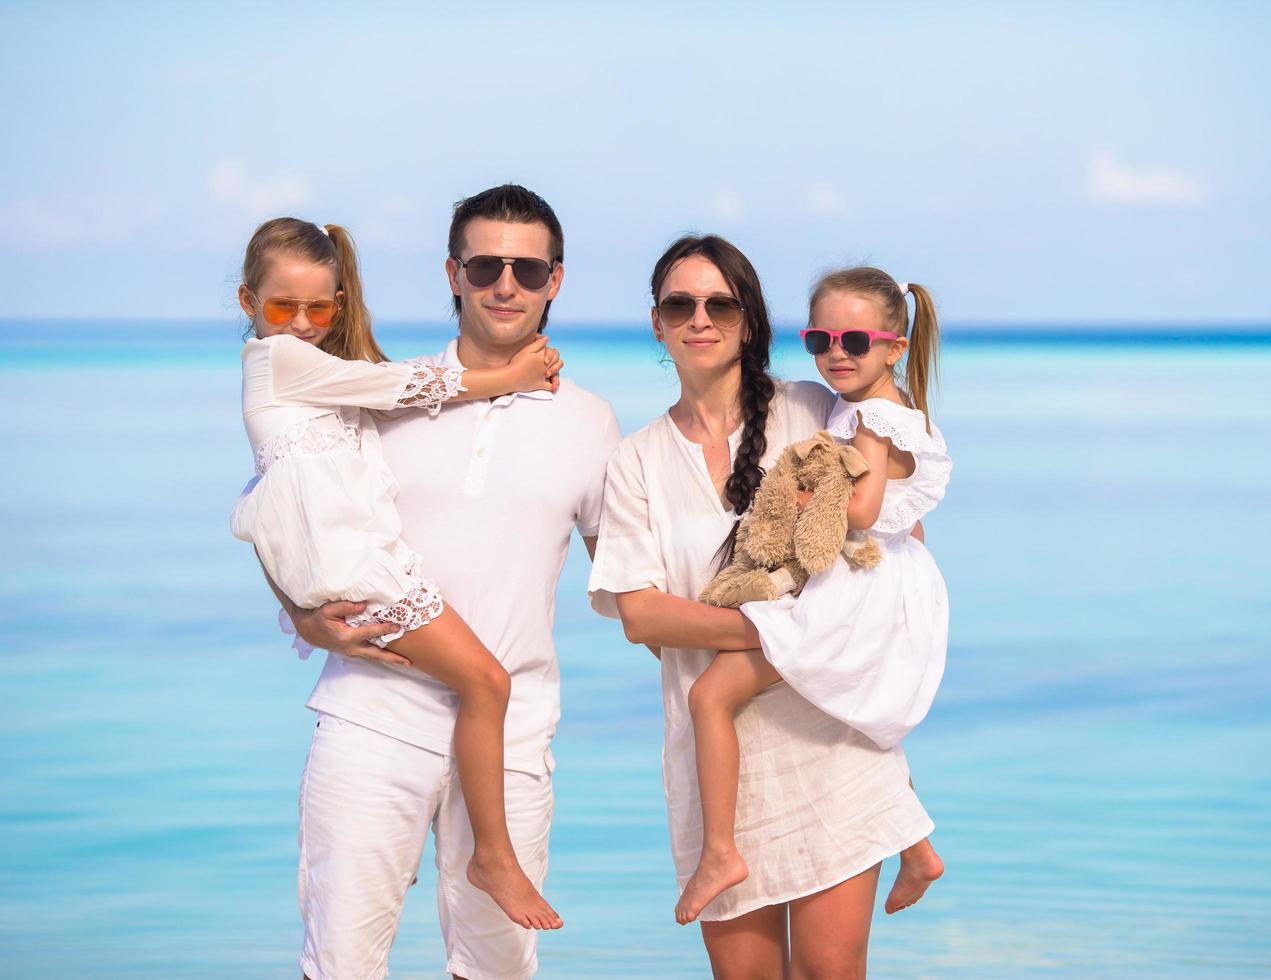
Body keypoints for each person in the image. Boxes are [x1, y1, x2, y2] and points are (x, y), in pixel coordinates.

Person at [247, 187, 620, 980]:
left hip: (515, 736)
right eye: (486, 264)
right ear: (454, 272)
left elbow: (628, 578)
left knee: (498, 972)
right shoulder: (379, 393)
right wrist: (302, 615)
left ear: (557, 279)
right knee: (340, 965)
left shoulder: (591, 421)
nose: (505, 283)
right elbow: (287, 503)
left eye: (527, 267)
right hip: (370, 720)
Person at [588, 235, 934, 976]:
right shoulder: (635, 459)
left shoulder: (815, 409)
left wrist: (807, 633)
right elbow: (641, 616)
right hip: (722, 774)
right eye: (681, 304)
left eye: (721, 303)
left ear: (750, 320)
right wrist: (783, 631)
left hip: (832, 755)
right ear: (657, 321)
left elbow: (897, 529)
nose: (700, 318)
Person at [675, 266, 951, 924]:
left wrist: (796, 500)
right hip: (881, 576)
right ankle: (917, 848)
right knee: (857, 710)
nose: (836, 353)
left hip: (858, 583)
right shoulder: (869, 406)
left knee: (711, 694)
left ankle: (719, 851)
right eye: (820, 338)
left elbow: (861, 507)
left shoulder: (875, 419)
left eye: (855, 340)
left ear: (894, 347)